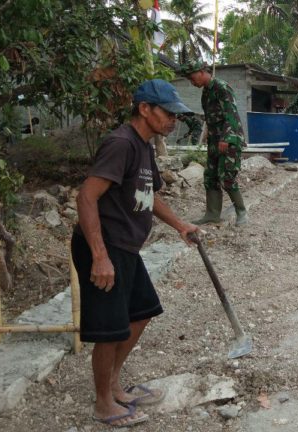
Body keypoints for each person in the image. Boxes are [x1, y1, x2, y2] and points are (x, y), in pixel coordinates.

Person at [73, 79, 199, 427]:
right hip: (104, 246)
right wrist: (99, 256)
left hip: (126, 247)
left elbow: (148, 195)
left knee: (141, 312)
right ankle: (102, 403)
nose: (174, 121)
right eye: (168, 113)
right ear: (145, 109)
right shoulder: (121, 143)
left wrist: (180, 225)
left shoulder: (144, 146)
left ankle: (113, 382)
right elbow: (86, 197)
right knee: (109, 329)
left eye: (177, 115)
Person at [179, 60, 248, 226]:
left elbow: (231, 114)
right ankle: (212, 214)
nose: (191, 81)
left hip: (229, 139)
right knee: (210, 176)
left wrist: (227, 138)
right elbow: (210, 119)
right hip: (215, 141)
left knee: (227, 177)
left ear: (202, 72)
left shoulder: (221, 87)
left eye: (192, 77)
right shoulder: (206, 92)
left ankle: (241, 212)